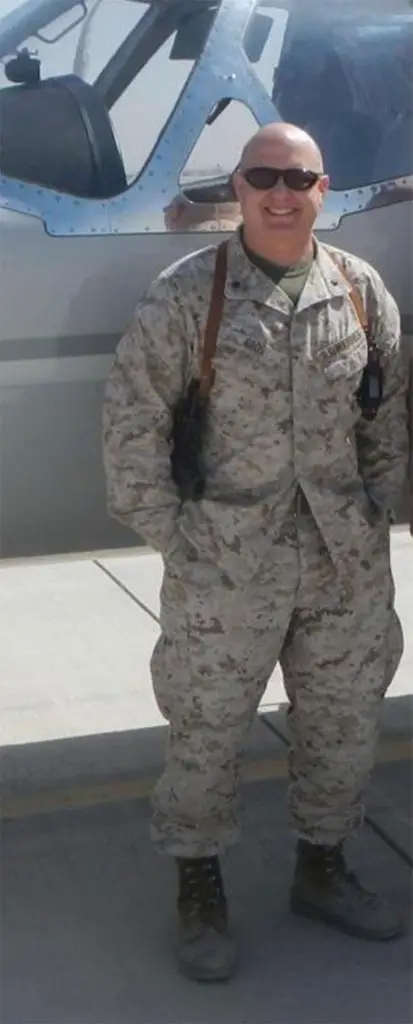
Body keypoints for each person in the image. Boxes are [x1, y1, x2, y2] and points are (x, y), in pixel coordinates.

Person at [102, 123, 409, 982]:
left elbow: (385, 424)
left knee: (344, 730)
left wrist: (372, 522)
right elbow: (131, 434)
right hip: (222, 572)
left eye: (297, 177)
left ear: (323, 188)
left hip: (342, 568)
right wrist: (183, 543)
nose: (280, 192)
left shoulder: (358, 291)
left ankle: (323, 868)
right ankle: (198, 889)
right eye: (262, 176)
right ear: (236, 188)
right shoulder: (186, 296)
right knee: (205, 735)